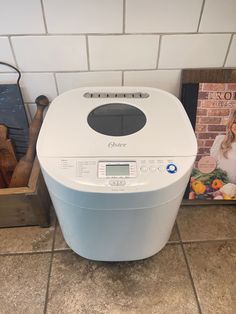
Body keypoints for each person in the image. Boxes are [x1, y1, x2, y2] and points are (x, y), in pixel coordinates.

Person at [210, 110, 236, 184]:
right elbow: (212, 164)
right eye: (234, 122)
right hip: (218, 187)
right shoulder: (220, 140)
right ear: (230, 123)